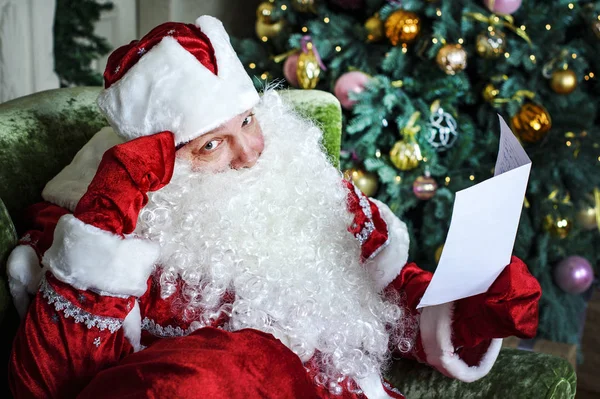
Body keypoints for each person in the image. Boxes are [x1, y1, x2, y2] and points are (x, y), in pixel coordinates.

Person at [6, 15, 541, 399]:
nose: (249, 155)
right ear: (159, 162)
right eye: (209, 146)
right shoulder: (98, 230)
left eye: (247, 121)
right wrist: (114, 202)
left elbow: (384, 305)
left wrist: (472, 306)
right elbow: (56, 381)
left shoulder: (303, 186)